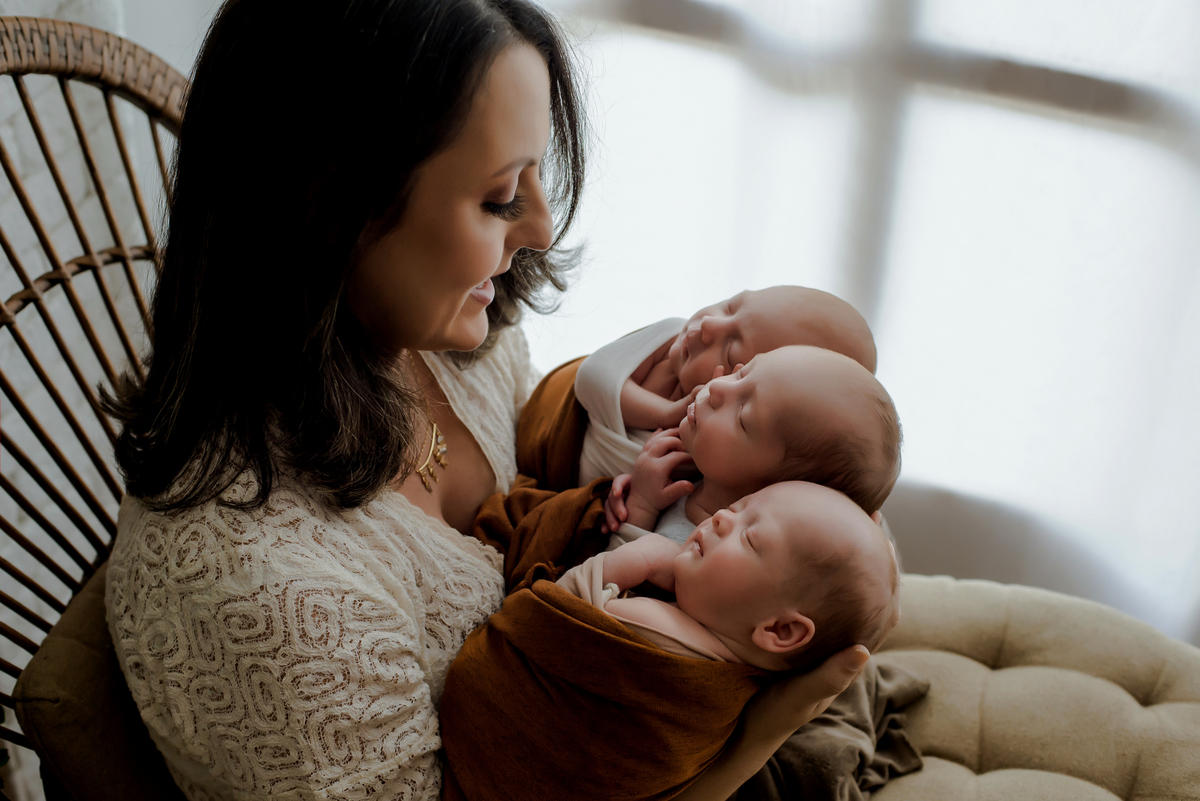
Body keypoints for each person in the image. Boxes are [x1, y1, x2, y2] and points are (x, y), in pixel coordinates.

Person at [99, 1, 869, 799]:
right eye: (501, 195)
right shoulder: (265, 597)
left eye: (537, 175)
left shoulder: (450, 340)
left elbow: (552, 466)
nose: (540, 227)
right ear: (328, 203)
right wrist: (759, 735)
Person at [567, 482, 900, 673]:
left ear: (780, 630)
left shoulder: (648, 624)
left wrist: (645, 555)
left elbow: (560, 605)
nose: (721, 517)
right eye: (737, 507)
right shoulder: (734, 667)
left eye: (749, 538)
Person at [576, 285, 877, 485]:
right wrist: (667, 413)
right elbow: (593, 376)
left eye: (731, 350)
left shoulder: (720, 449)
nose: (709, 325)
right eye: (730, 307)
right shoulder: (669, 335)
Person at [603, 345, 902, 545]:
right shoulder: (701, 469)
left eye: (742, 415)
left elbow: (614, 594)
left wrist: (640, 506)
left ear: (773, 489)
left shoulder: (713, 555)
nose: (717, 387)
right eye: (741, 372)